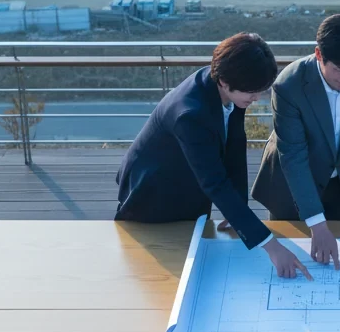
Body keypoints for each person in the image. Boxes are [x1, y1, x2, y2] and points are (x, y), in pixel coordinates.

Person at [115, 32, 311, 280]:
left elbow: (235, 148)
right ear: (225, 83)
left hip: (187, 182)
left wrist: (236, 209)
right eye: (252, 92)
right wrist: (271, 246)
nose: (257, 98)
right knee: (168, 274)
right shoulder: (191, 114)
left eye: (260, 91)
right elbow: (215, 183)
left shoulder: (225, 86)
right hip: (154, 196)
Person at [252, 14, 340, 269]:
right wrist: (316, 223)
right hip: (291, 187)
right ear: (319, 54)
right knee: (292, 260)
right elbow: (293, 157)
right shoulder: (288, 86)